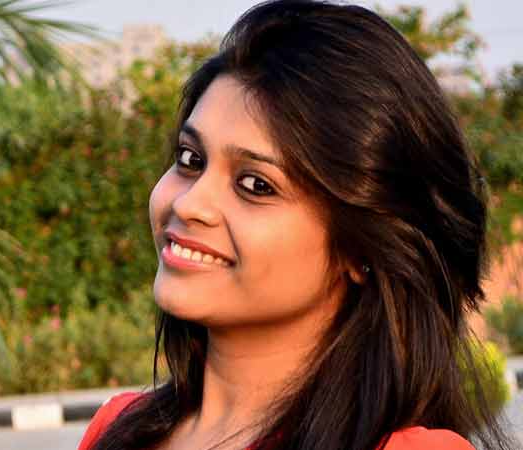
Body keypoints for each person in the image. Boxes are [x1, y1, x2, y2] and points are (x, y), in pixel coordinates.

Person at [78, 1, 518, 449]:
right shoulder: (116, 428)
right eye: (191, 159)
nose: (189, 203)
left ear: (359, 249)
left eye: (256, 185)